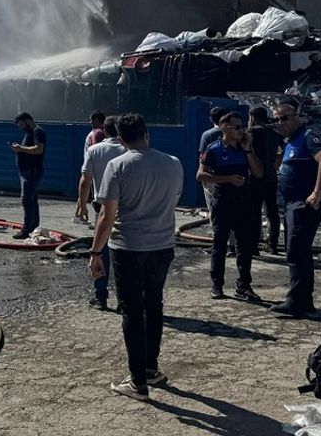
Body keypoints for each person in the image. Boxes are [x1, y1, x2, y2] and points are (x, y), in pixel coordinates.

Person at [89, 113, 182, 401]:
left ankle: (138, 382)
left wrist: (95, 252)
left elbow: (107, 215)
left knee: (131, 310)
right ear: (146, 134)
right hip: (163, 246)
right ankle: (151, 369)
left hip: (129, 248)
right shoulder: (173, 163)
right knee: (154, 305)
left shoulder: (118, 166)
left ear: (120, 138)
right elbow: (173, 199)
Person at [270, 100, 321, 319]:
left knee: (296, 251)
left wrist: (317, 192)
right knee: (297, 252)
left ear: (297, 118)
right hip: (290, 205)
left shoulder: (307, 138)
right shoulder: (290, 143)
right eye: (277, 119)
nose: (280, 123)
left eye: (285, 118)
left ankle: (297, 302)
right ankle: (301, 301)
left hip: (303, 204)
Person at [197, 112, 264, 302]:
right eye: (237, 127)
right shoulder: (214, 149)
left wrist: (248, 150)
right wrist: (227, 179)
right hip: (223, 201)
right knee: (219, 243)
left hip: (243, 202)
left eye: (242, 126)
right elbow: (200, 175)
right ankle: (217, 284)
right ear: (224, 127)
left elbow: (258, 173)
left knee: (245, 245)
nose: (241, 130)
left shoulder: (245, 149)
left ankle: (244, 285)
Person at [76, 116, 124, 309]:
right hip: (123, 208)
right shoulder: (126, 149)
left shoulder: (95, 150)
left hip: (102, 207)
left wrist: (82, 204)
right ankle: (123, 299)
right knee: (121, 252)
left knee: (100, 250)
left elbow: (85, 179)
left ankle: (100, 296)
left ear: (104, 130)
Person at [247, 107, 282, 254]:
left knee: (254, 212)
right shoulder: (275, 134)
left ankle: (253, 245)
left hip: (254, 177)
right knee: (272, 211)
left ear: (252, 117)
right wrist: (275, 165)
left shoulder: (250, 133)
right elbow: (281, 152)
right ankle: (272, 244)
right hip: (271, 177)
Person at [10, 112, 47, 239]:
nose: (21, 128)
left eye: (21, 125)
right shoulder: (30, 133)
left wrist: (20, 148)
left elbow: (39, 149)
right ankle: (33, 225)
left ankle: (26, 230)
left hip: (32, 171)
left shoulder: (38, 132)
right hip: (26, 172)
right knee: (31, 199)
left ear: (28, 120)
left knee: (26, 199)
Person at [197, 106, 226, 220]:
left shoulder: (207, 135)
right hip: (229, 173)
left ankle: (216, 230)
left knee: (212, 205)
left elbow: (202, 156)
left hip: (211, 175)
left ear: (211, 119)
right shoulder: (233, 132)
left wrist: (202, 172)